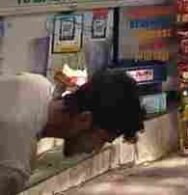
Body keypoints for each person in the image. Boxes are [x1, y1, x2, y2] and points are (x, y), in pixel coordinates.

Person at [0, 71, 145, 194]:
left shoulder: (35, 83)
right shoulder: (12, 167)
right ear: (84, 119)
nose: (95, 149)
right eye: (101, 140)